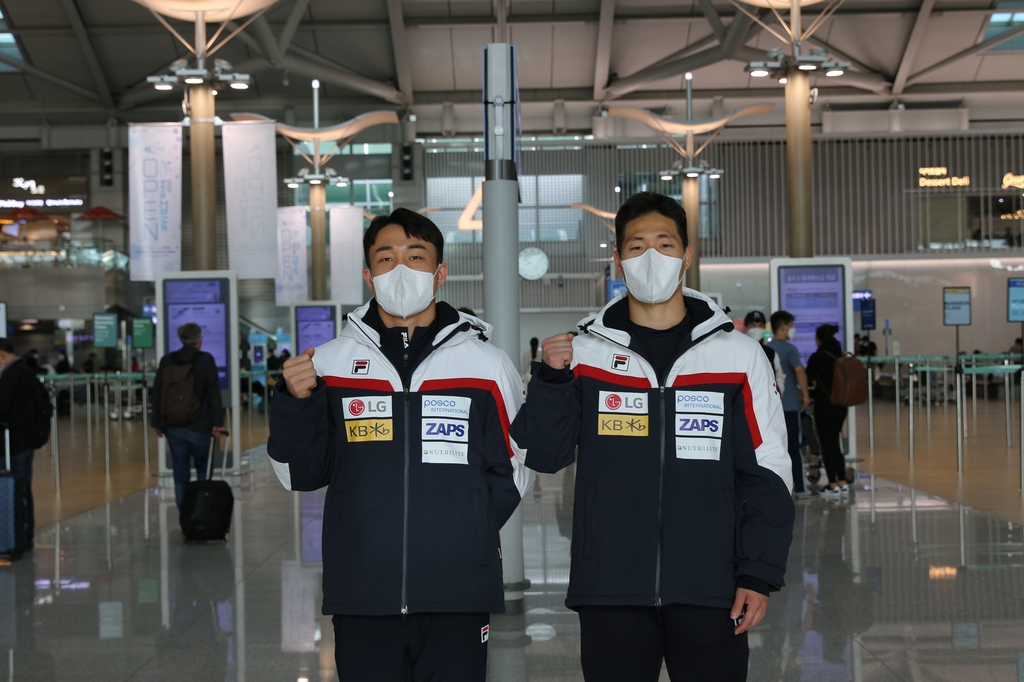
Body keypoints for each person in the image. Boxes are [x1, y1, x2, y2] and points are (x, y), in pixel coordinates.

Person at [510, 192, 794, 682]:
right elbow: (547, 456)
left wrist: (757, 573)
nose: (651, 258)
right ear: (618, 259)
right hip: (612, 587)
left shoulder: (738, 355)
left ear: (687, 255)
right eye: (637, 247)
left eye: (665, 245)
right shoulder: (587, 354)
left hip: (711, 584)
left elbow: (768, 469)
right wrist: (553, 384)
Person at [267, 208, 531, 682]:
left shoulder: (486, 364)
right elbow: (298, 473)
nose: (401, 269)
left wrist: (462, 529)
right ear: (369, 275)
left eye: (416, 256)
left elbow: (516, 465)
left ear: (440, 272)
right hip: (364, 589)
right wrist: (295, 402)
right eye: (386, 259)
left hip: (459, 590)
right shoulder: (329, 363)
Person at [151, 322, 226, 510]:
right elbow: (213, 393)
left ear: (181, 338)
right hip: (201, 427)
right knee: (204, 472)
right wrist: (218, 422)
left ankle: (185, 518)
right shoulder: (205, 359)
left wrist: (157, 422)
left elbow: (158, 392)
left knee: (180, 474)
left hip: (174, 428)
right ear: (199, 339)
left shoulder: (167, 360)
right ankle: (201, 515)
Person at [768, 311, 813, 497]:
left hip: (772, 408)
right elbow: (800, 372)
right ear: (784, 327)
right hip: (790, 407)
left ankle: (777, 490)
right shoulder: (790, 349)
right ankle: (800, 488)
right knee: (794, 448)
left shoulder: (765, 348)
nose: (792, 330)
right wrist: (806, 395)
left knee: (774, 449)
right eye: (791, 326)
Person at [0, 338, 40, 549]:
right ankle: (24, 537)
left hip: (11, 444)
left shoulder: (11, 375)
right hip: (25, 443)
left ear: (1, 355)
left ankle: (14, 538)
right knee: (23, 491)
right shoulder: (27, 372)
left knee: (14, 491)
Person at [805, 324, 849, 497]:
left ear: (819, 339)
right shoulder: (840, 356)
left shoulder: (817, 357)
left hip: (825, 406)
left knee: (827, 445)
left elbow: (808, 379)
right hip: (841, 406)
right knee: (836, 445)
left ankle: (832, 484)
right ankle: (842, 481)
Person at [744, 311, 786, 399]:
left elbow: (779, 375)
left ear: (764, 327)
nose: (757, 329)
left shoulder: (771, 353)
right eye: (753, 325)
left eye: (760, 325)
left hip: (767, 402)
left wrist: (777, 394)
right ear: (746, 326)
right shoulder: (739, 351)